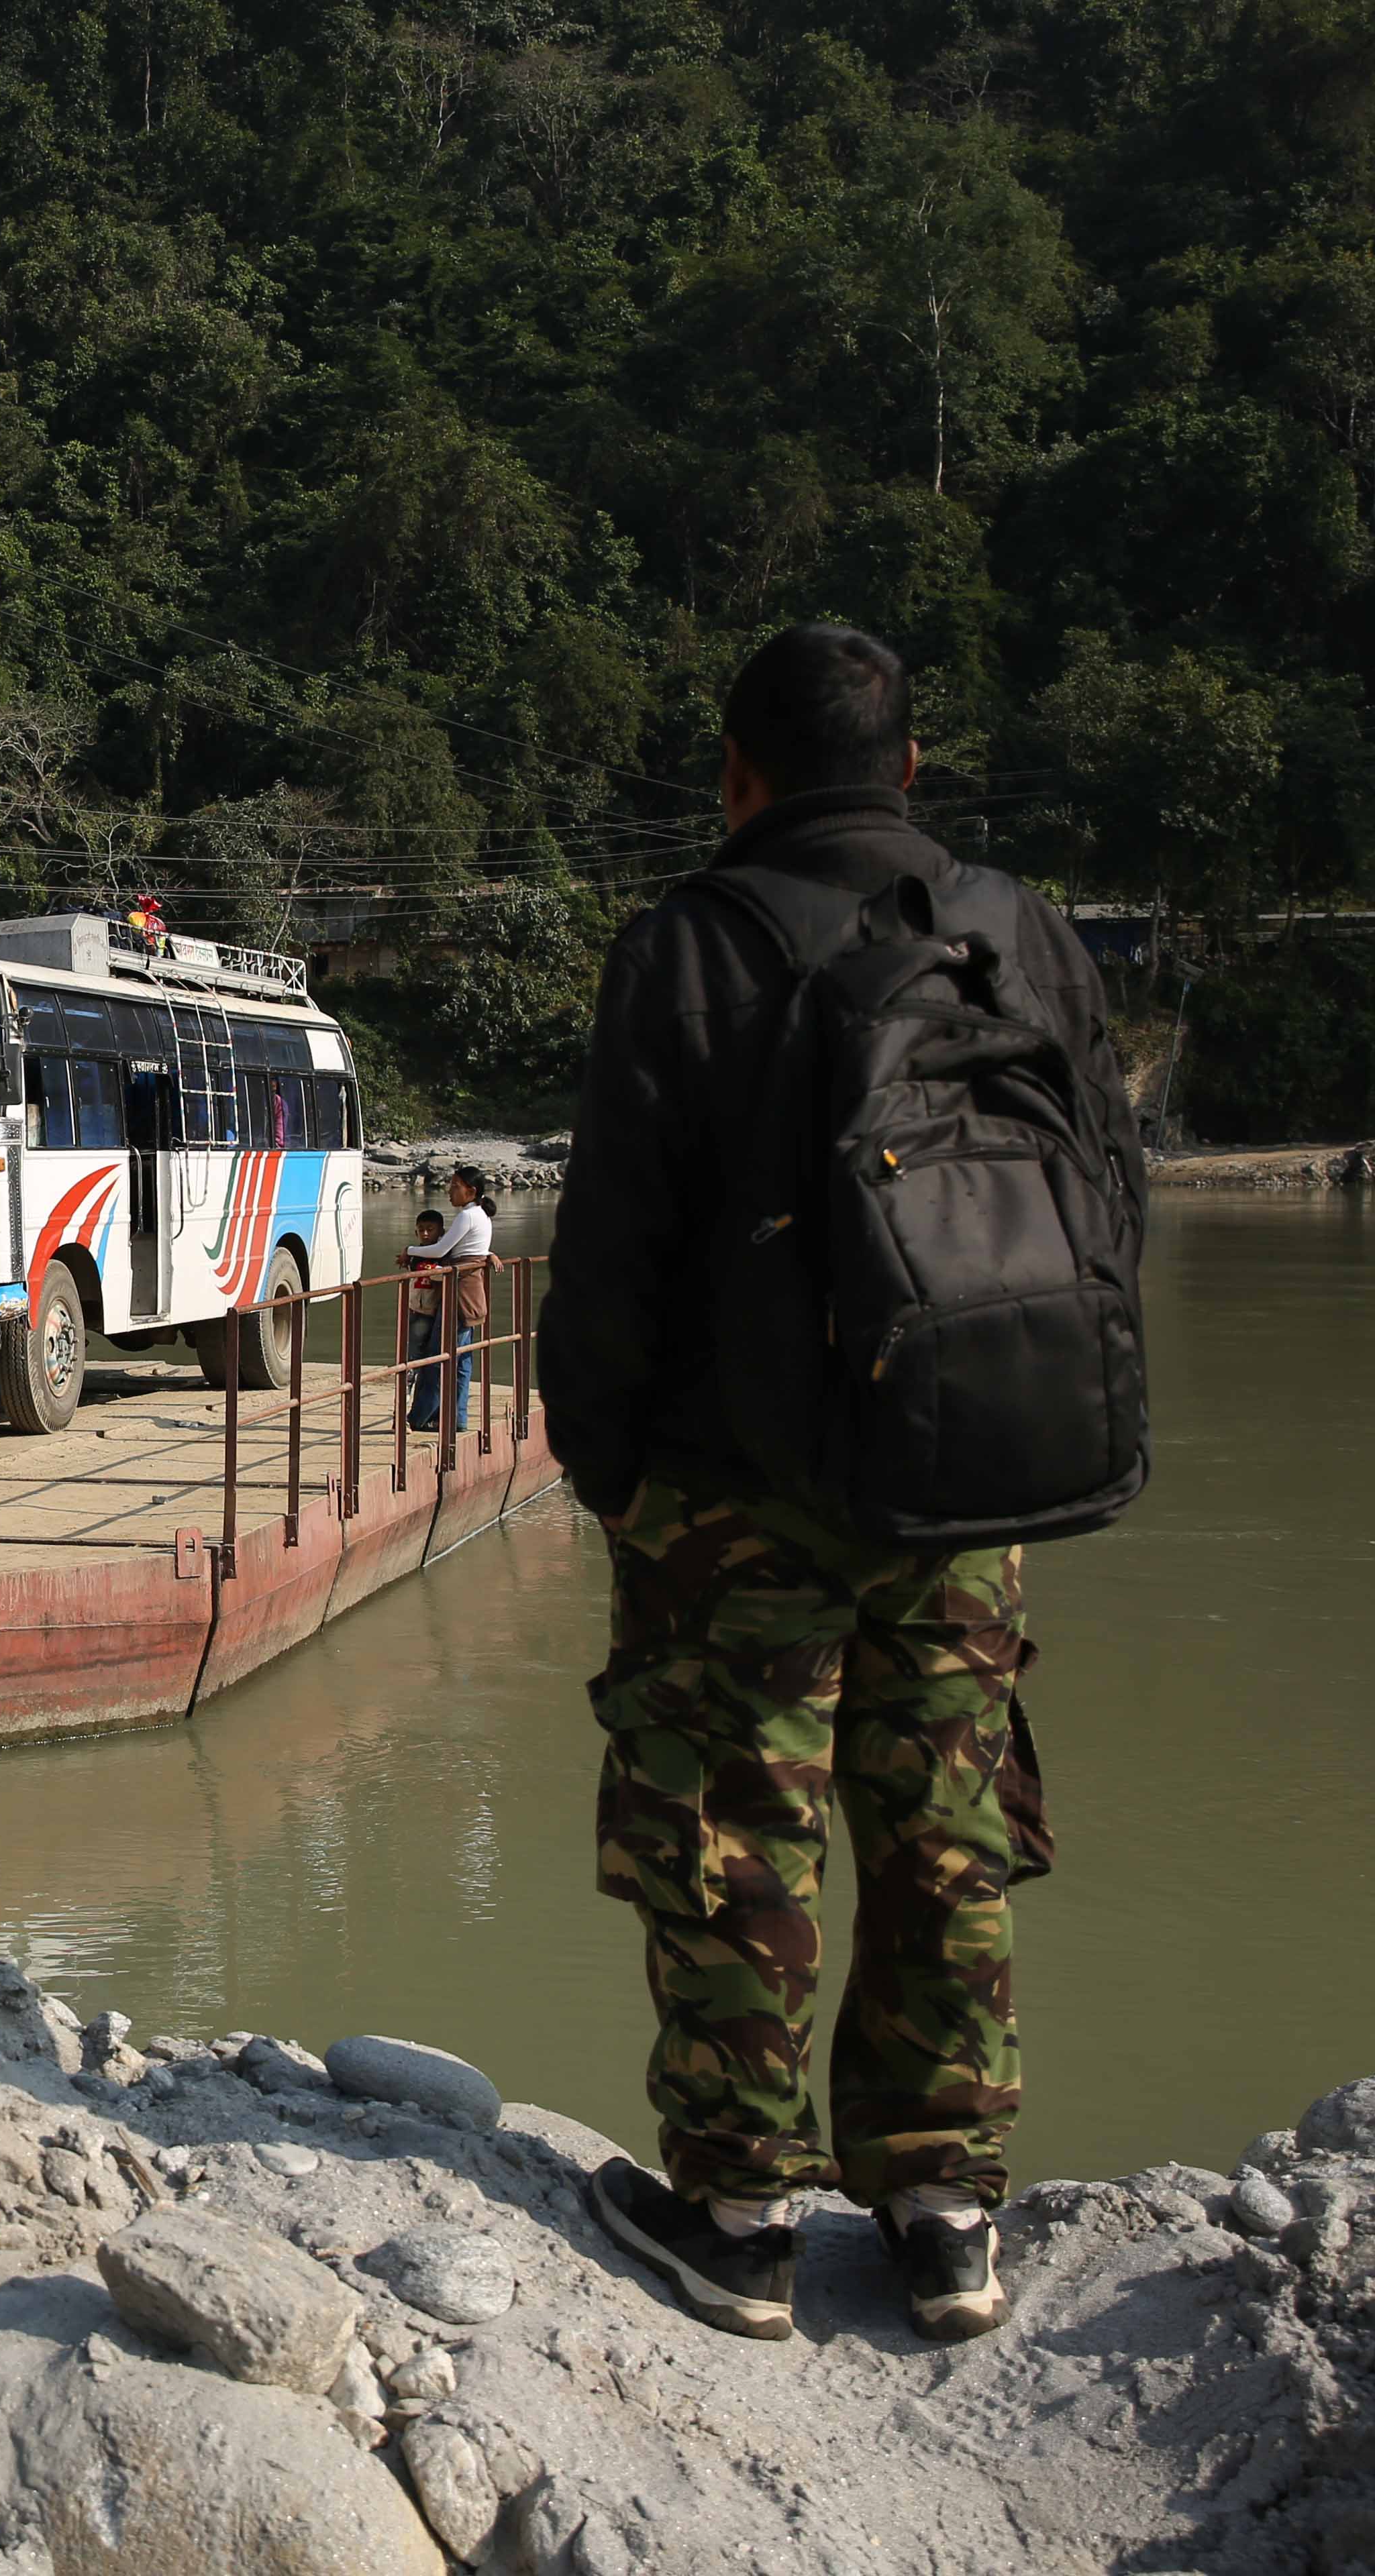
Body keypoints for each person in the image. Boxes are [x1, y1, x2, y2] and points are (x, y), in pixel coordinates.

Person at [538, 623, 1128, 2349]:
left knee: (733, 1829)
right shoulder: (1012, 936)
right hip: (963, 1478)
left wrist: (610, 1469)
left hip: (736, 1493)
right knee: (941, 1824)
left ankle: (733, 2216)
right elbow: (1104, 1197)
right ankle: (944, 2211)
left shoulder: (687, 948)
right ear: (909, 774)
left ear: (733, 775)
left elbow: (613, 1254)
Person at [403, 1169, 495, 1432]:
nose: (449, 1191)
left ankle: (421, 1418)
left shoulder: (467, 1216)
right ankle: (457, 1418)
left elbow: (440, 1250)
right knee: (462, 1361)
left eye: (455, 1186)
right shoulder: (481, 1216)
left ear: (471, 1192)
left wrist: (410, 1251)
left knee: (439, 1358)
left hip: (458, 1293)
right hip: (470, 1292)